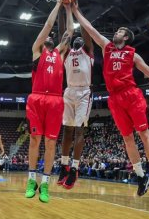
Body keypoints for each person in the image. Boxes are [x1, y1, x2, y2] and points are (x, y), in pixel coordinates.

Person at [71, 2, 149, 196]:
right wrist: (76, 10)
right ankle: (142, 176)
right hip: (115, 98)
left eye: (119, 31)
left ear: (125, 37)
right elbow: (90, 29)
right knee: (127, 138)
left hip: (131, 95)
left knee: (144, 134)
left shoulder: (133, 54)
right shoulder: (106, 47)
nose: (115, 33)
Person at [25, 0, 74, 203]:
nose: (50, 37)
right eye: (48, 37)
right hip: (36, 98)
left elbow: (70, 31)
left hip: (55, 100)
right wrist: (56, 5)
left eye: (52, 37)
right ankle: (30, 181)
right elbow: (47, 26)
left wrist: (68, 8)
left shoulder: (60, 53)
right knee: (35, 140)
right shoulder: (37, 49)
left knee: (51, 142)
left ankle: (44, 184)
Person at [57, 24, 94, 189]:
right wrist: (64, 7)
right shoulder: (66, 53)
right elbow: (62, 33)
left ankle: (74, 168)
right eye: (75, 37)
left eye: (81, 37)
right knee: (67, 130)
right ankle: (64, 165)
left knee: (79, 130)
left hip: (84, 93)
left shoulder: (88, 51)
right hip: (69, 91)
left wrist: (79, 15)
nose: (79, 38)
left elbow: (87, 35)